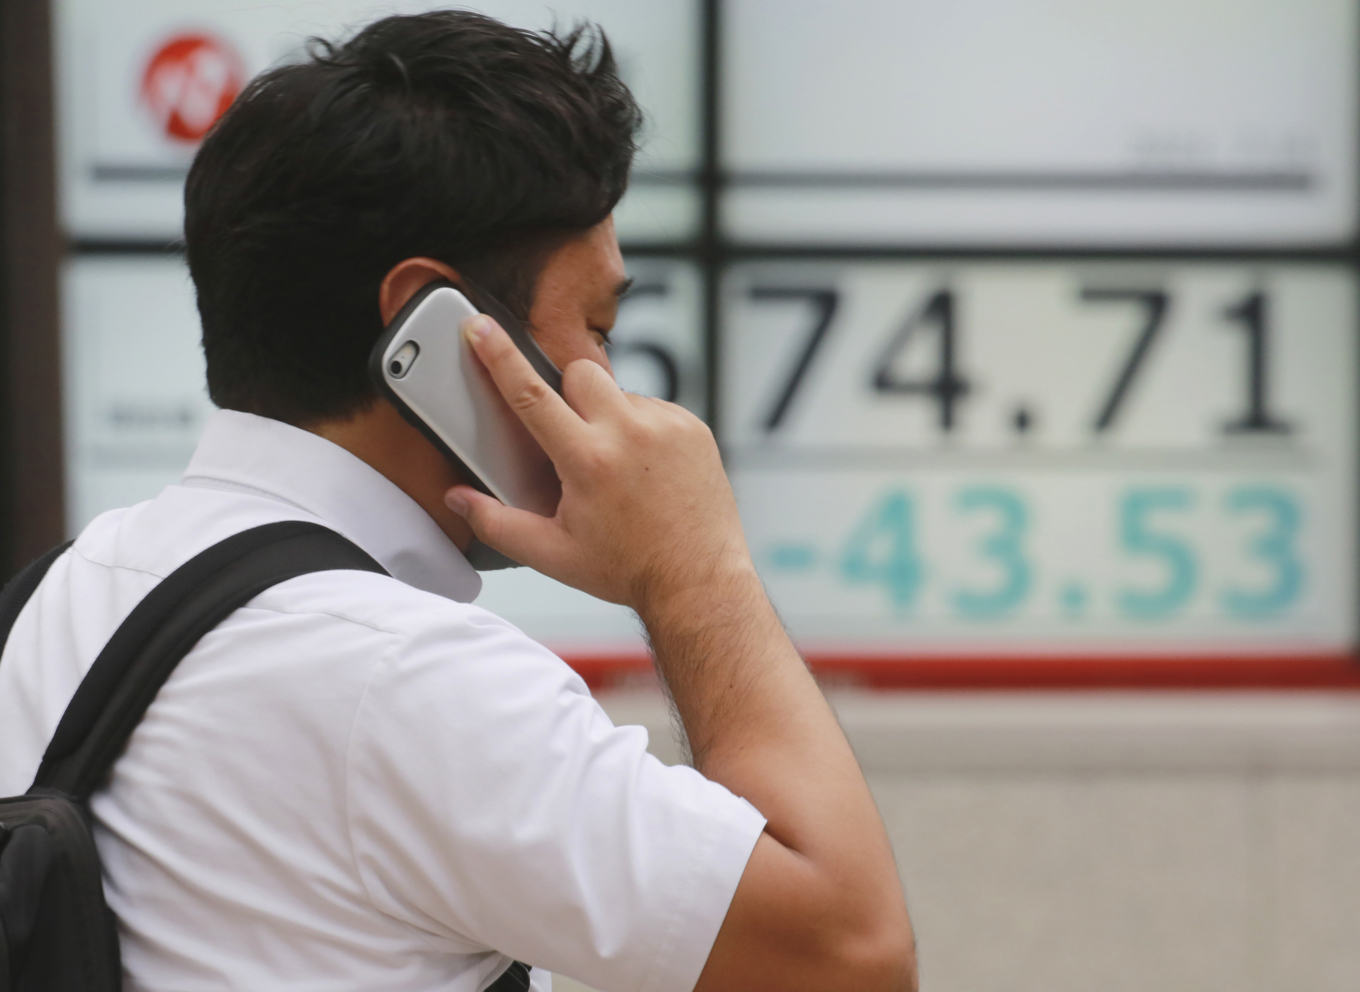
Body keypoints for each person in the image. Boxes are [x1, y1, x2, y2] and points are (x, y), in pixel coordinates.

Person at [0, 11, 916, 992]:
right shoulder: (402, 675)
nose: (611, 382)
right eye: (599, 325)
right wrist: (696, 572)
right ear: (435, 331)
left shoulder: (60, 593)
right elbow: (849, 953)